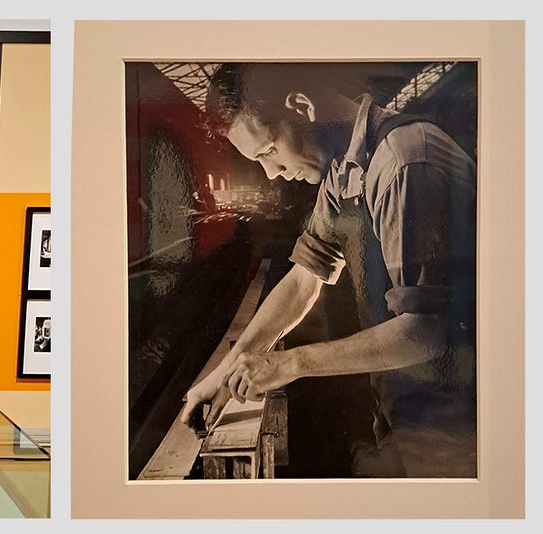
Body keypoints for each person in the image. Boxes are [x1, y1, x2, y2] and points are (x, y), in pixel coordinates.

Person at [178, 63, 478, 478]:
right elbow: (304, 280)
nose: (272, 173)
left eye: (268, 151)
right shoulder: (343, 172)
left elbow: (427, 331)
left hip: (458, 429)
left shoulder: (404, 165)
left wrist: (289, 364)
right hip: (404, 407)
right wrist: (225, 372)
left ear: (301, 106)